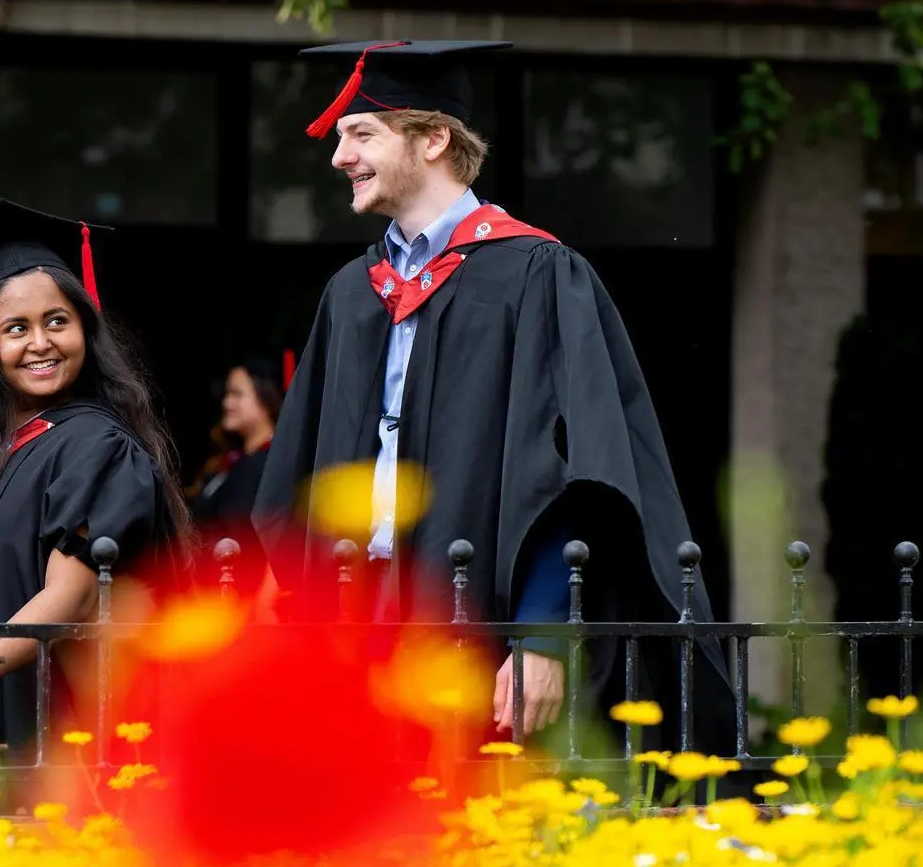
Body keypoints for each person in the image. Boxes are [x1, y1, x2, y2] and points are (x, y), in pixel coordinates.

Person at [254, 40, 735, 757]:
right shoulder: (353, 295)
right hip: (361, 626)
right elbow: (300, 483)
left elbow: (575, 475)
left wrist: (542, 634)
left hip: (483, 629)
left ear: (434, 139)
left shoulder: (537, 276)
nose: (338, 157)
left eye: (362, 134)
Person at [0, 199, 191, 756]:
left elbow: (71, 596)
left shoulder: (97, 446)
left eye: (57, 321)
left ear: (85, 329)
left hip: (59, 741)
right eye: (16, 328)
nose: (40, 343)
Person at [189, 353, 289, 595]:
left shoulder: (273, 464)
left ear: (266, 398)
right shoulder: (232, 462)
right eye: (227, 394)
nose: (227, 403)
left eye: (237, 394)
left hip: (242, 597)